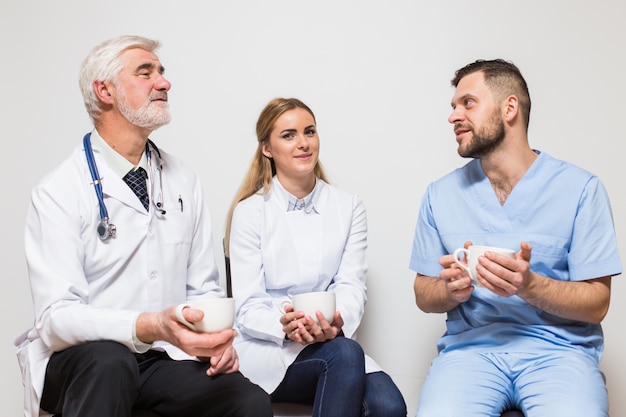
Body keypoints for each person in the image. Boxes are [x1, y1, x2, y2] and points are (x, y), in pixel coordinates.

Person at [13, 35, 272, 417]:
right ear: (105, 91)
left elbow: (203, 288)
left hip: (158, 359)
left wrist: (215, 340)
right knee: (110, 362)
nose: (164, 82)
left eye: (162, 72)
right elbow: (56, 318)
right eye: (145, 72)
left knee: (246, 400)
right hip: (80, 360)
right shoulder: (59, 190)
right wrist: (148, 325)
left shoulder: (183, 179)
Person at [409, 59, 622, 417]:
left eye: (468, 103)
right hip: (470, 353)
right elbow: (423, 293)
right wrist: (448, 290)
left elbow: (597, 303)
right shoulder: (439, 195)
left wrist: (530, 285)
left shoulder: (581, 190)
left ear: (509, 108)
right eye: (453, 106)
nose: (454, 116)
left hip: (560, 353)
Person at [225, 97, 407, 417]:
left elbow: (351, 285)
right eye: (289, 135)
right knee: (345, 354)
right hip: (270, 349)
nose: (303, 143)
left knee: (389, 407)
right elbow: (248, 306)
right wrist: (286, 327)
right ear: (267, 148)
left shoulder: (349, 206)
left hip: (332, 341)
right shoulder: (250, 212)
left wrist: (335, 325)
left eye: (309, 132)